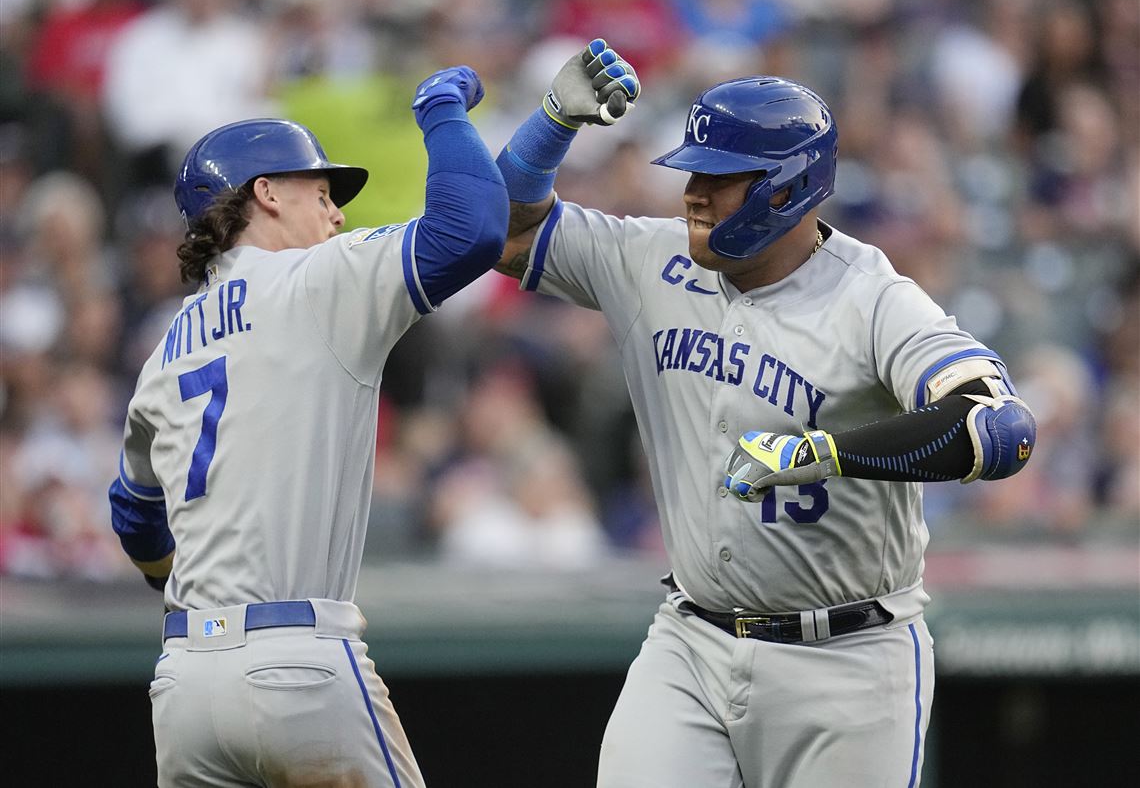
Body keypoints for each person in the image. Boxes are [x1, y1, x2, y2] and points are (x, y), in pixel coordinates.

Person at [494, 41, 1037, 787]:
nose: (693, 193)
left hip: (848, 658)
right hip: (691, 640)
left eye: (719, 179)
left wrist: (825, 452)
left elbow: (996, 429)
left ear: (787, 189)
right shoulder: (651, 260)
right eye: (691, 173)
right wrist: (551, 124)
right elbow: (505, 230)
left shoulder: (872, 298)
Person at [107, 66, 508, 787]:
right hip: (298, 663)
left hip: (184, 682)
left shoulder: (163, 350)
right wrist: (442, 112)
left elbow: (133, 514)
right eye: (321, 194)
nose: (337, 216)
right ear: (265, 192)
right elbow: (473, 228)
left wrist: (181, 583)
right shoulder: (317, 280)